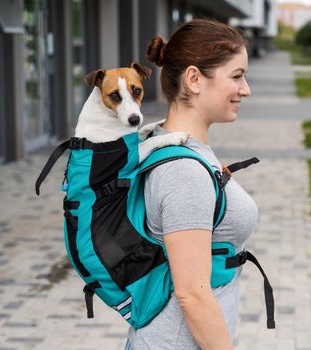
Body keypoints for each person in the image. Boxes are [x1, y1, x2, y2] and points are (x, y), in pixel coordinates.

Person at [125, 19, 255, 350]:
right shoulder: (184, 170)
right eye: (237, 76)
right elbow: (192, 294)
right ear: (194, 79)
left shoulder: (166, 143)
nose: (246, 89)